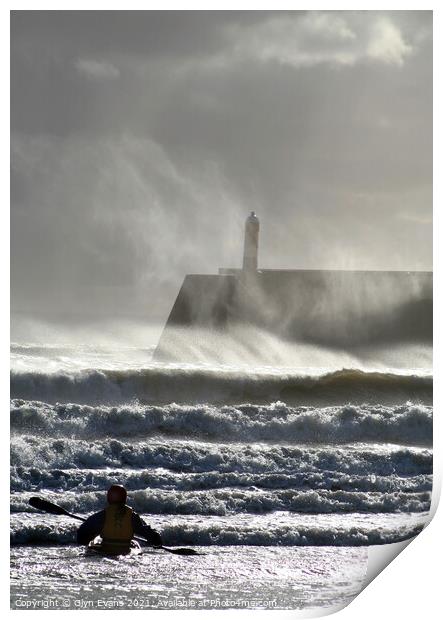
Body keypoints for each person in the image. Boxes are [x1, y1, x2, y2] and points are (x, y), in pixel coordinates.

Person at [77, 484, 162, 554]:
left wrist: (91, 534)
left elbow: (82, 533)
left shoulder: (102, 515)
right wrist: (155, 539)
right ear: (124, 498)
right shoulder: (132, 515)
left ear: (109, 498)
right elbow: (146, 531)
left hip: (106, 550)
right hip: (125, 549)